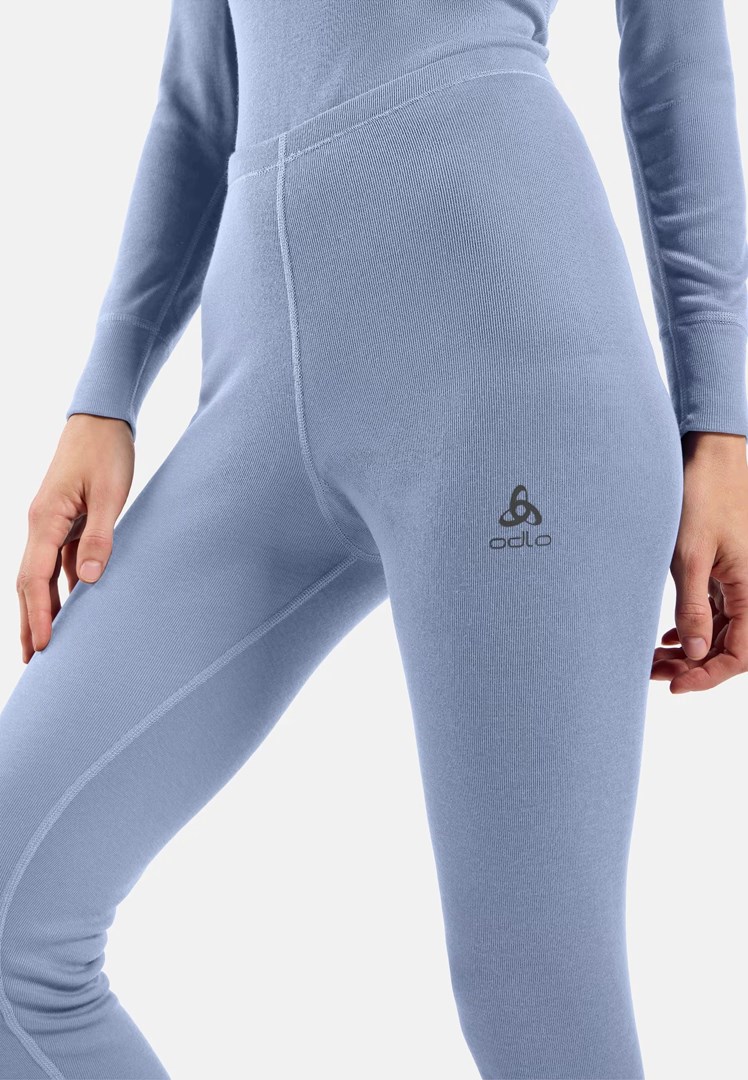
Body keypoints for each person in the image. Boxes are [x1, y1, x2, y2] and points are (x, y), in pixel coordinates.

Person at [1, 0, 747, 1076]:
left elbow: (676, 62)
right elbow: (199, 100)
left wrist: (720, 425)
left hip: (512, 367)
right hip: (255, 408)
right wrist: (102, 397)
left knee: (531, 985)